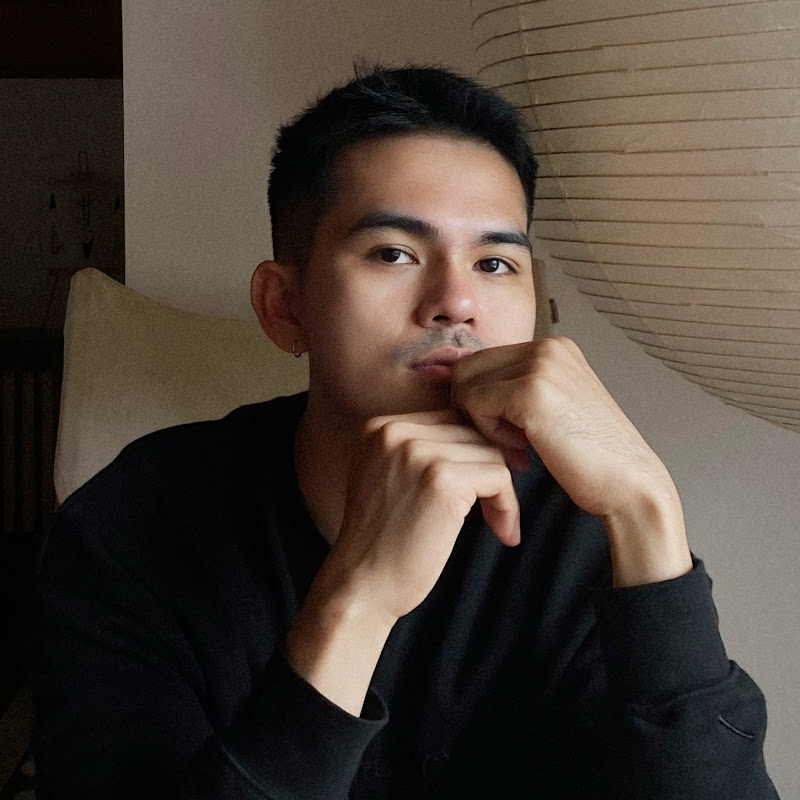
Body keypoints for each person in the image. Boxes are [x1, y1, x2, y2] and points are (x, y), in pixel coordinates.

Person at [19, 64, 779, 799]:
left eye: (495, 263)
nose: (456, 301)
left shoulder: (583, 527)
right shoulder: (129, 530)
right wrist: (358, 600)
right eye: (394, 253)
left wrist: (647, 509)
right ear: (284, 307)